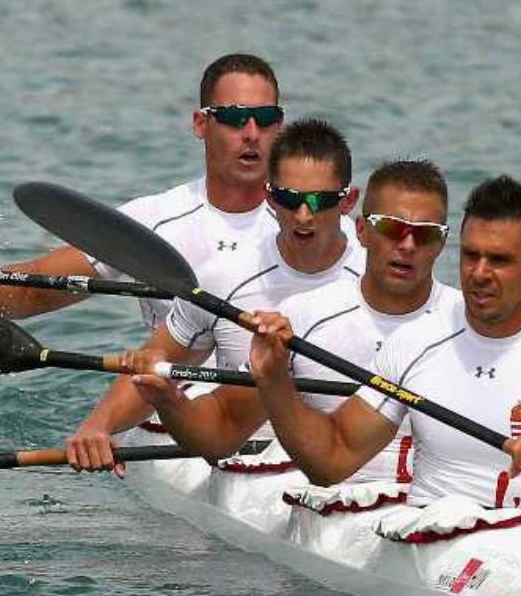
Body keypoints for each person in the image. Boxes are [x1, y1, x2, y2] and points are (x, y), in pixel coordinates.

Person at [245, 175, 521, 519]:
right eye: (471, 255)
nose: (479, 273)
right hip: (433, 535)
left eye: (500, 260)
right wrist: (274, 380)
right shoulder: (416, 342)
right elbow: (331, 459)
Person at [128, 159, 461, 485]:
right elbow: (222, 431)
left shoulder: (467, 324)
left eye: (425, 234)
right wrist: (169, 401)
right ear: (361, 230)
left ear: (443, 242)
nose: (407, 245)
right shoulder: (304, 319)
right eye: (391, 228)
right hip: (334, 499)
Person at [66, 118, 366, 474]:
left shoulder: (373, 277)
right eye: (289, 198)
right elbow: (157, 361)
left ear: (348, 202)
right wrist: (98, 427)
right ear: (270, 197)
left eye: (320, 201)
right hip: (245, 454)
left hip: (351, 451)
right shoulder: (223, 278)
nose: (303, 215)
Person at [0, 54, 285, 329]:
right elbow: (32, 294)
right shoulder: (154, 219)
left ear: (280, 126)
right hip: (173, 416)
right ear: (201, 124)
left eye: (265, 119)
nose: (252, 132)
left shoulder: (318, 220)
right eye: (235, 118)